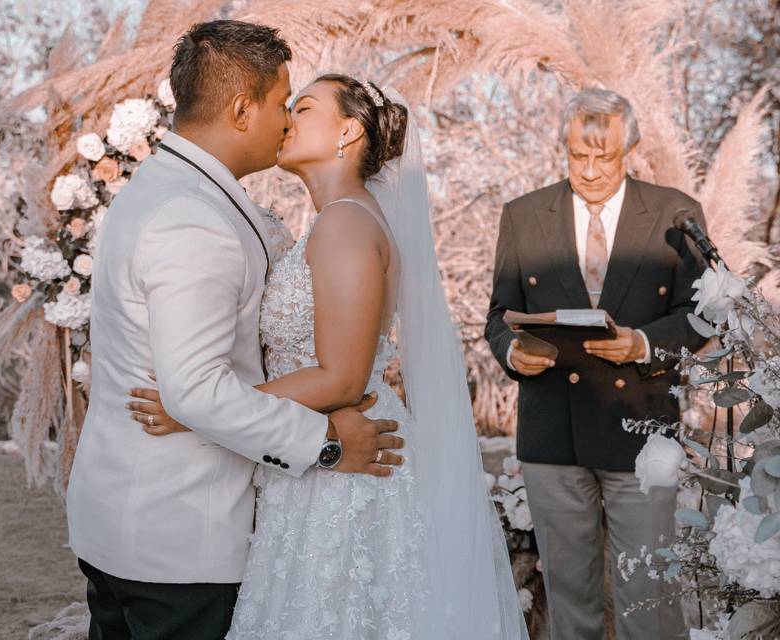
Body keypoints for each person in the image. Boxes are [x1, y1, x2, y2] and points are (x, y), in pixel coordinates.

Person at [130, 72, 527, 638]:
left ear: (348, 132)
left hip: (350, 459)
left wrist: (194, 407)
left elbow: (341, 376)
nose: (287, 117)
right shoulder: (334, 219)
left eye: (305, 107)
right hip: (322, 440)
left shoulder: (345, 222)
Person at [65, 21, 405, 640]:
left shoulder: (167, 189)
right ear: (242, 108)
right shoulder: (193, 218)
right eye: (282, 104)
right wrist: (329, 444)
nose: (286, 121)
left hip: (124, 516)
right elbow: (194, 391)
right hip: (177, 532)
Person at [484, 87, 708, 640]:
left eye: (602, 157)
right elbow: (497, 316)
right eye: (576, 156)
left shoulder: (676, 213)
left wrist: (644, 343)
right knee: (569, 599)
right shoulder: (523, 215)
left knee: (647, 599)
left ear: (628, 148)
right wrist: (514, 351)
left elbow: (704, 316)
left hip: (643, 435)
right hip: (552, 436)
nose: (588, 170)